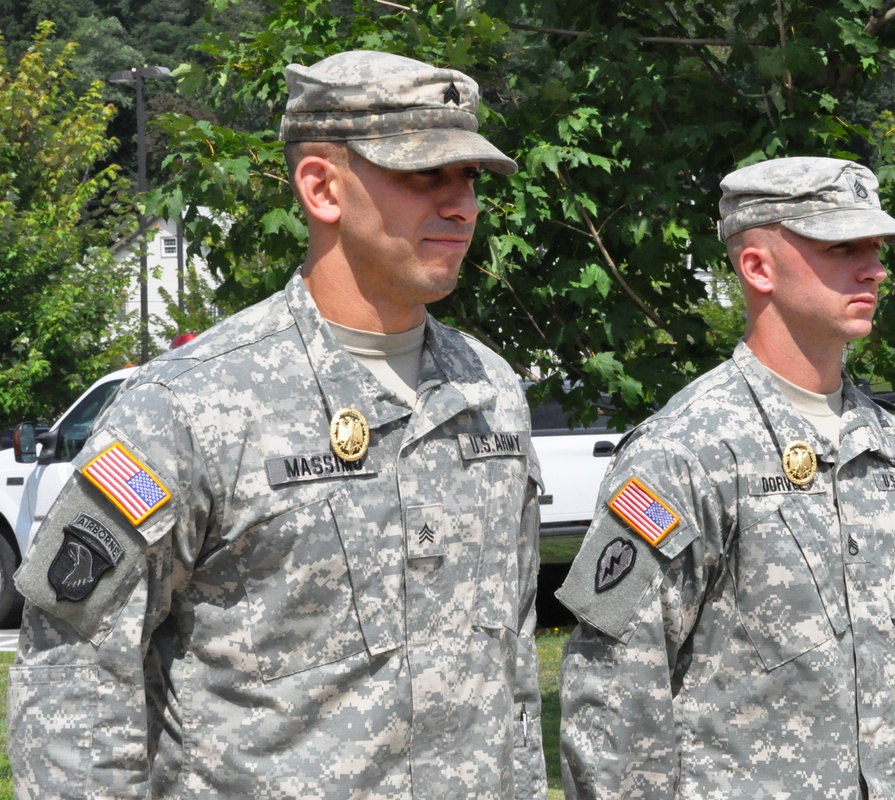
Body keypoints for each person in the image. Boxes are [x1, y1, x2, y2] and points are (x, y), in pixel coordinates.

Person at [8, 50, 546, 799]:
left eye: (469, 178)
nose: (460, 205)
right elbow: (73, 670)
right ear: (322, 188)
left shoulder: (490, 390)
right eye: (424, 175)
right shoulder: (190, 405)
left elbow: (514, 663)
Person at [557, 156, 895, 799]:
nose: (874, 268)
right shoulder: (683, 451)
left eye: (876, 249)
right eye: (841, 245)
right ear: (758, 267)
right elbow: (610, 688)